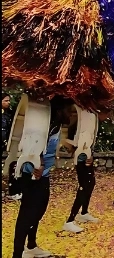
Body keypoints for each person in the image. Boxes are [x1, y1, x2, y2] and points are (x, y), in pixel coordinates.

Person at [13, 96, 73, 258]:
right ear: (60, 110)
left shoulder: (56, 126)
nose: (71, 114)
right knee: (27, 215)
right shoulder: (47, 122)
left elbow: (50, 145)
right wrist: (37, 161)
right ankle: (17, 254)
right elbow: (33, 140)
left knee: (39, 210)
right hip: (31, 174)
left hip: (43, 174)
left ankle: (31, 246)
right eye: (69, 110)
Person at [63, 111, 110, 234]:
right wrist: (75, 150)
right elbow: (68, 138)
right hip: (80, 156)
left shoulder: (91, 117)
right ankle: (70, 220)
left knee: (91, 183)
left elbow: (89, 140)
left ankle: (83, 212)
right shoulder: (81, 116)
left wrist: (90, 155)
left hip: (86, 155)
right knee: (84, 186)